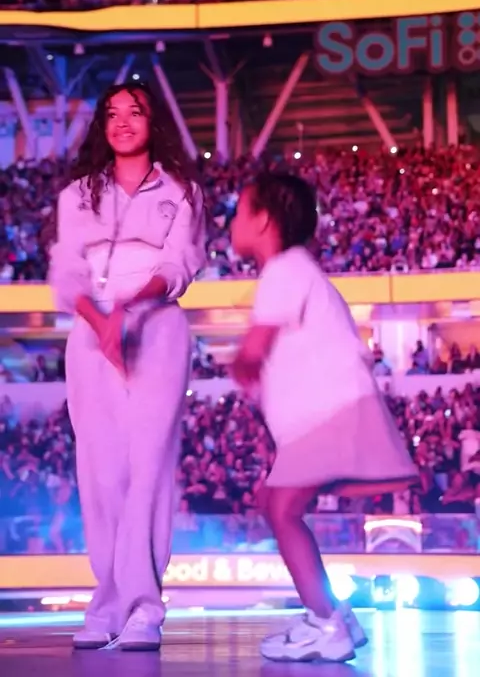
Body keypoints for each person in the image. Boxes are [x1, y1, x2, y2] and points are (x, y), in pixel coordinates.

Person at [230, 173, 417, 664]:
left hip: (331, 412)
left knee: (281, 510)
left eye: (239, 211)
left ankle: (326, 621)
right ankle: (331, 615)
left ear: (264, 221)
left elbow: (254, 349)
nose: (231, 222)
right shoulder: (296, 270)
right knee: (277, 504)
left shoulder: (284, 269)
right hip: (324, 414)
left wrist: (238, 363)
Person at [49, 83, 205, 652]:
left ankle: (145, 607)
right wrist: (100, 320)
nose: (122, 122)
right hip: (91, 336)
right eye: (112, 114)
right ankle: (108, 602)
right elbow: (67, 270)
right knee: (100, 471)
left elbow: (179, 263)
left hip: (156, 329)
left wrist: (129, 310)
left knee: (149, 468)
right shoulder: (77, 195)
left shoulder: (181, 191)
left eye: (134, 112)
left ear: (152, 121)